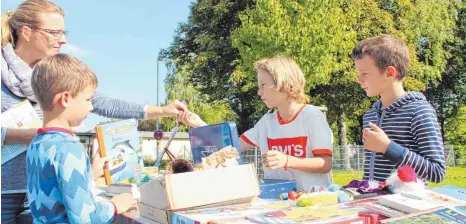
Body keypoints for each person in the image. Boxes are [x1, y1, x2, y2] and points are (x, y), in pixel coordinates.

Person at [1, 1, 185, 222]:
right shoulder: (65, 145)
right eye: (54, 32)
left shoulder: (58, 74)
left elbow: (105, 103)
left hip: (41, 196)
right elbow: (85, 217)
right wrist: (19, 135)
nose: (64, 39)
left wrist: (162, 110)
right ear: (26, 32)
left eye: (64, 32)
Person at [180, 55, 334, 191]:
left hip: (314, 205)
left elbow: (325, 164)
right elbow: (230, 146)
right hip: (281, 204)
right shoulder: (266, 122)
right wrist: (200, 124)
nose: (259, 92)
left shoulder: (312, 116)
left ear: (283, 83)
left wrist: (287, 160)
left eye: (263, 85)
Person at [27, 53, 137, 223]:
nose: (91, 106)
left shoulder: (37, 143)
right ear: (65, 99)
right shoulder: (69, 147)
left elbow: (54, 194)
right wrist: (115, 206)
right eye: (87, 99)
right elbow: (84, 218)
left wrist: (90, 173)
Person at [351, 34, 446, 183]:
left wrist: (387, 147)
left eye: (365, 73)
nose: (359, 79)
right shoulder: (370, 115)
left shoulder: (419, 112)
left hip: (407, 204)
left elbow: (437, 172)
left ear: (389, 73)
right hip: (374, 203)